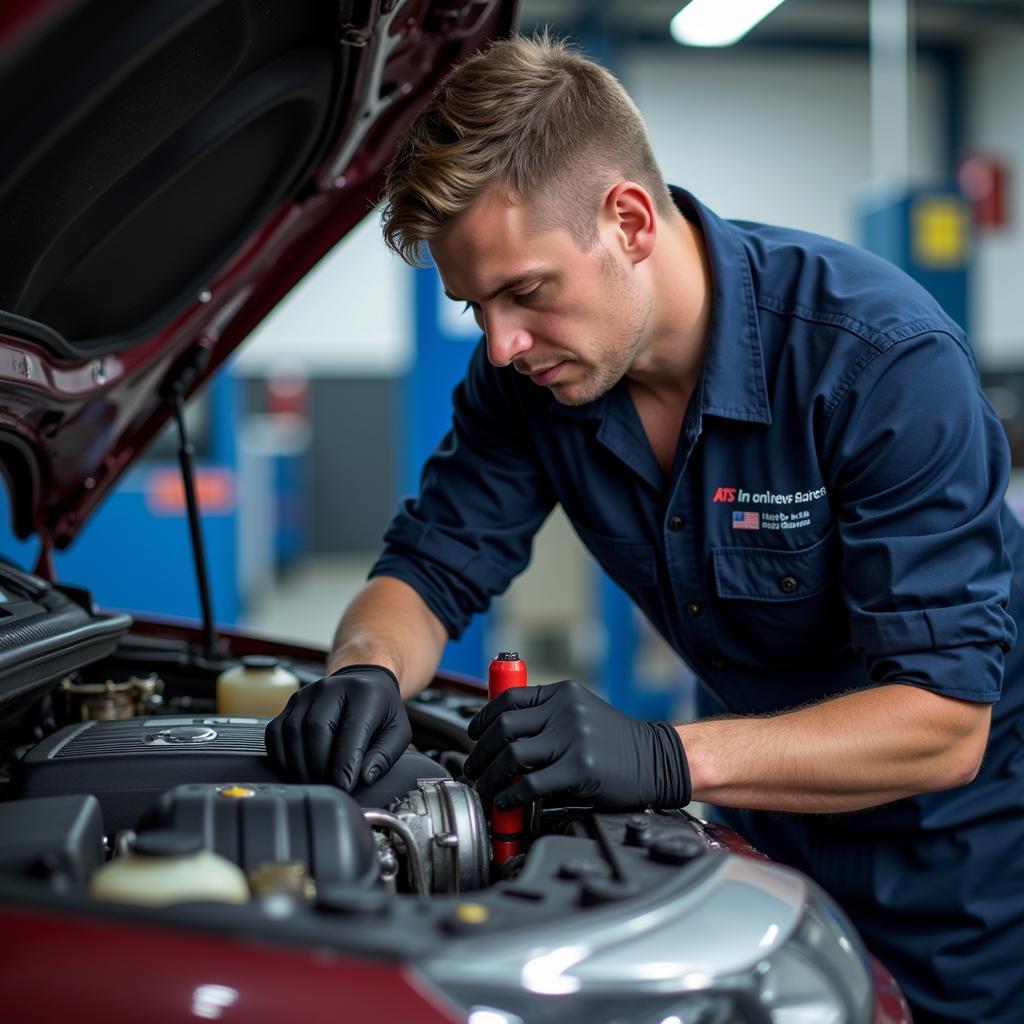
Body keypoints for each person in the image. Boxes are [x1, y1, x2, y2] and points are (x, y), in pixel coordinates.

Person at [264, 33, 1024, 1023]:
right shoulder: (526, 382)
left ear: (626, 219)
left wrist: (667, 756)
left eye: (526, 291)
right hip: (755, 841)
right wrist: (362, 668)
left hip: (952, 880)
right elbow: (430, 563)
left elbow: (943, 724)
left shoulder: (877, 363)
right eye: (475, 305)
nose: (500, 344)